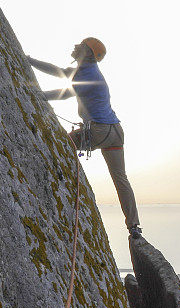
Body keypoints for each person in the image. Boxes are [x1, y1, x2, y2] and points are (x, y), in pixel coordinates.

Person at [27, 37, 142, 239]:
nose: (75, 46)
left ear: (87, 51)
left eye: (80, 45)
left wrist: (36, 94)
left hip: (99, 130)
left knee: (59, 145)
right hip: (115, 132)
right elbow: (59, 72)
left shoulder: (88, 73)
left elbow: (64, 94)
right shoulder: (88, 71)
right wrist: (30, 60)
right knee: (120, 179)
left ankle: (57, 184)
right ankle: (134, 226)